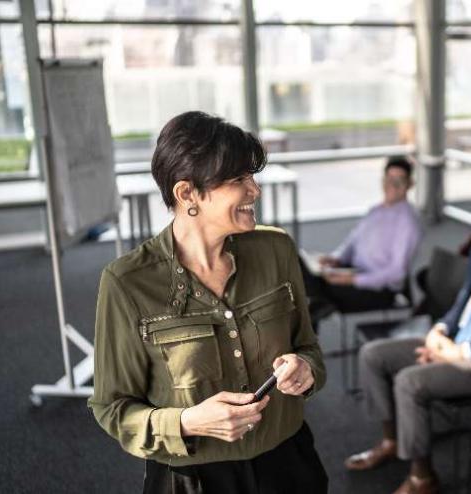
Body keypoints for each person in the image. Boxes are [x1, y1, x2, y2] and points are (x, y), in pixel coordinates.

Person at [88, 111, 327, 493]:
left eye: (252, 176)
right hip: (194, 481)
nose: (255, 190)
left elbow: (309, 347)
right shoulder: (127, 283)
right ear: (187, 194)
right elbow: (112, 408)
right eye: (238, 180)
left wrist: (306, 369)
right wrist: (187, 422)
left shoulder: (276, 250)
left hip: (289, 464)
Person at [345, 177, 471, 494]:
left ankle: (422, 478)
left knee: (409, 381)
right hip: (455, 344)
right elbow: (466, 301)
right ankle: (390, 440)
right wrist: (439, 332)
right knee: (373, 354)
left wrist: (458, 354)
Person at [304, 155, 422, 321]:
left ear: (410, 184)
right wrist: (336, 259)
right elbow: (353, 242)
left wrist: (352, 279)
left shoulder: (407, 222)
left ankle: (316, 310)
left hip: (378, 290)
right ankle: (316, 308)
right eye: (389, 178)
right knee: (304, 272)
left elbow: (396, 273)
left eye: (399, 180)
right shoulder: (376, 211)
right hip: (355, 272)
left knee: (310, 291)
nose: (392, 185)